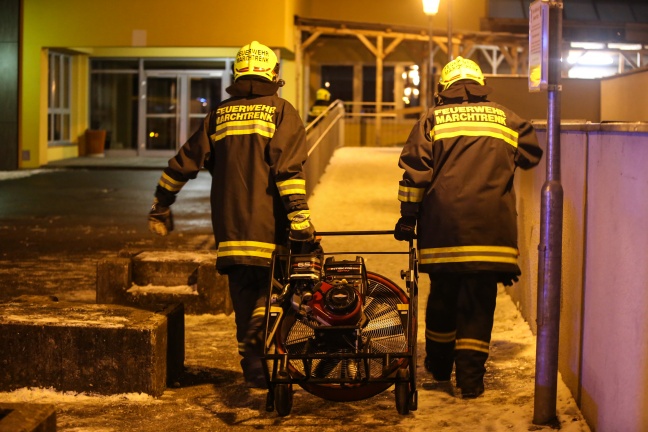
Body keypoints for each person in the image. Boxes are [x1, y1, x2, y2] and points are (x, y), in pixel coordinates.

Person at [148, 40, 316, 389]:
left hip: (229, 229)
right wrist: (299, 217)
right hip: (270, 227)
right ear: (274, 74)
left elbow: (183, 163)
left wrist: (161, 204)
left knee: (242, 293)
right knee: (275, 289)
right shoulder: (282, 111)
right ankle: (260, 330)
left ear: (237, 73)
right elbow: (287, 171)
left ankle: (253, 367)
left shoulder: (218, 115)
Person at [393, 56, 543, 399]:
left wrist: (408, 217)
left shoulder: (432, 120)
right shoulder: (506, 118)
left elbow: (416, 173)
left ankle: (441, 366)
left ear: (444, 88)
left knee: (443, 296)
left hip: (444, 231)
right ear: (480, 86)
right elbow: (531, 155)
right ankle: (472, 381)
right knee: (479, 303)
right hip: (492, 233)